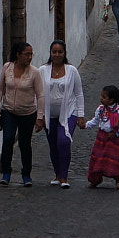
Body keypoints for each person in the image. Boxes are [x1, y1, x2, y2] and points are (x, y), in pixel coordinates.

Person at [0, 41, 45, 187]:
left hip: (28, 113)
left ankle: (26, 174)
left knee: (24, 143)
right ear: (18, 55)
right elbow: (0, 89)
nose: (29, 57)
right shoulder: (7, 68)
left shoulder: (34, 72)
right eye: (27, 54)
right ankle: (6, 172)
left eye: (31, 54)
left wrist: (40, 117)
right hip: (9, 111)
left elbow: (40, 95)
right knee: (8, 139)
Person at [41, 40, 86, 188]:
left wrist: (80, 114)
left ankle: (65, 176)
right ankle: (57, 174)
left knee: (63, 141)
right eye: (54, 51)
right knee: (53, 144)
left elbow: (78, 93)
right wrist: (39, 116)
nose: (57, 54)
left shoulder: (72, 70)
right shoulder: (43, 70)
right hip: (50, 114)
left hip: (69, 112)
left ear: (64, 53)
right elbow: (39, 94)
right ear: (50, 53)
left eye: (60, 52)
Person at [86, 85, 119, 190]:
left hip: (114, 138)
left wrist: (117, 133)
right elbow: (96, 120)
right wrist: (86, 125)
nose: (101, 99)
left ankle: (118, 180)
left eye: (104, 97)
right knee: (97, 157)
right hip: (102, 137)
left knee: (114, 159)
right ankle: (95, 179)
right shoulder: (101, 110)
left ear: (111, 100)